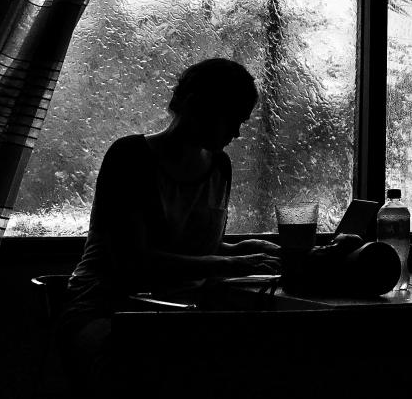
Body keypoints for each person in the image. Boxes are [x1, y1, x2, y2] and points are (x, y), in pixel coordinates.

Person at [59, 58, 281, 379]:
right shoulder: (130, 157)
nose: (236, 131)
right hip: (105, 309)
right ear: (199, 106)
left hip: (178, 313)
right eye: (231, 118)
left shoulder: (219, 167)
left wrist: (246, 249)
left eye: (242, 121)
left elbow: (199, 250)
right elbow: (134, 262)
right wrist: (234, 263)